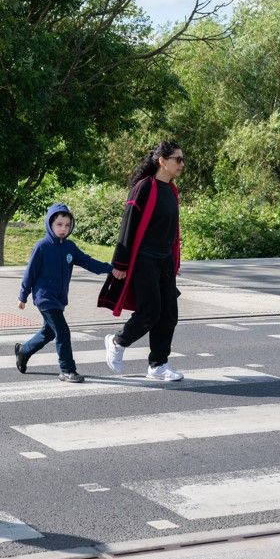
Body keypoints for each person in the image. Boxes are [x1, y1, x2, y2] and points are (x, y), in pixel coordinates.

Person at [103, 141, 186, 381]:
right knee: (150, 312)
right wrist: (120, 264)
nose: (182, 164)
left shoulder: (171, 190)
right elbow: (128, 226)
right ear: (162, 161)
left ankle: (158, 365)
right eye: (177, 159)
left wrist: (175, 262)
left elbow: (173, 231)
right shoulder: (144, 187)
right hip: (143, 259)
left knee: (169, 314)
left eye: (182, 159)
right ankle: (118, 342)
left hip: (165, 260)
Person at [14, 203, 112, 383]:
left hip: (59, 298)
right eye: (59, 224)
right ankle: (67, 369)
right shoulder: (42, 246)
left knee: (49, 332)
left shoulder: (70, 247)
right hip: (44, 297)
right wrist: (23, 295)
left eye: (67, 225)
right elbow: (30, 272)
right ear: (50, 224)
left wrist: (111, 269)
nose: (63, 229)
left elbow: (88, 262)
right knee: (63, 332)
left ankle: (23, 351)